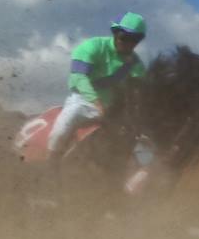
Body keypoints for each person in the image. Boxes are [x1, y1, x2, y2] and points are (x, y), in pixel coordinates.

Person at [46, 12, 148, 156]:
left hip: (113, 108)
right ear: (115, 33)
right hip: (83, 102)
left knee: (141, 141)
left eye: (134, 40)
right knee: (61, 129)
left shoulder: (136, 64)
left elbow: (140, 91)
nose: (128, 43)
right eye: (124, 37)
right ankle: (52, 162)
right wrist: (97, 103)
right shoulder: (92, 46)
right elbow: (79, 77)